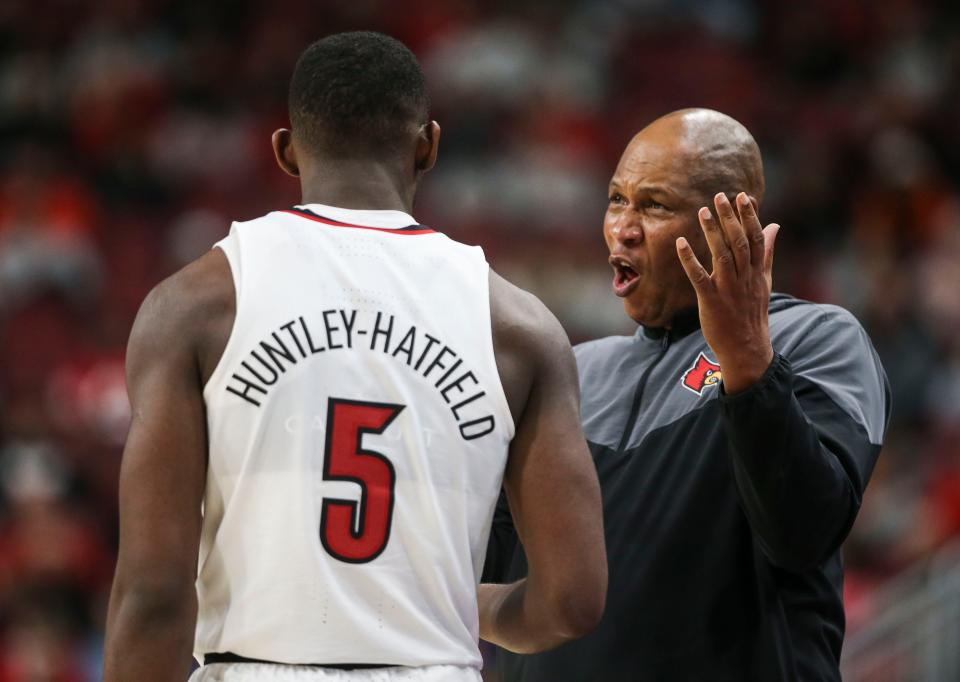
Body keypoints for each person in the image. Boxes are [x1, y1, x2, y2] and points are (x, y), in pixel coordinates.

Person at [103, 32, 606, 682]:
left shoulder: (193, 304)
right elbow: (572, 601)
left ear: (285, 150)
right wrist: (449, 605)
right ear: (428, 145)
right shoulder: (519, 326)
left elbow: (152, 592)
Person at [483, 108, 891, 681]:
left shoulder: (817, 338)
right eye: (616, 199)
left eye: (653, 205)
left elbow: (804, 533)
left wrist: (748, 361)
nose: (623, 227)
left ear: (732, 222)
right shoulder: (573, 371)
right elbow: (497, 565)